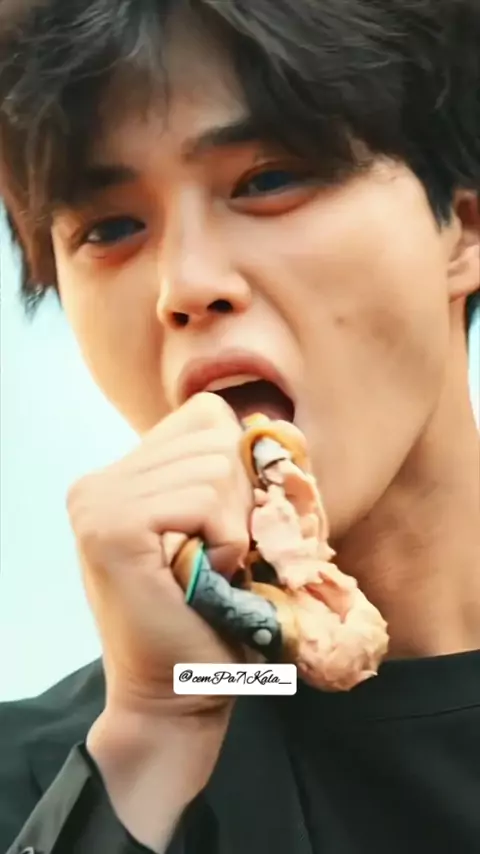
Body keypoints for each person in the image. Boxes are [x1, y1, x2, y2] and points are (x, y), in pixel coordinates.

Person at [0, 0, 479, 852]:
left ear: (463, 230)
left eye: (267, 180)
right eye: (112, 228)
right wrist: (154, 734)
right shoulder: (45, 784)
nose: (183, 285)